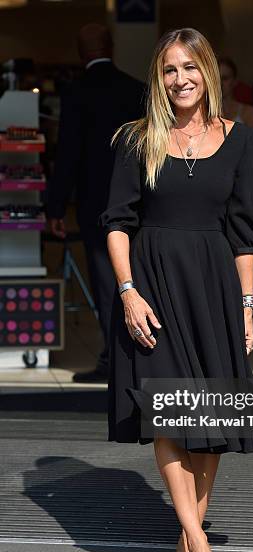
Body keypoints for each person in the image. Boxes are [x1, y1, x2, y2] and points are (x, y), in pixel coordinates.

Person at [99, 28, 253, 552]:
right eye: (170, 70)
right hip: (153, 285)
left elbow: (244, 233)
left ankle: (184, 543)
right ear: (158, 78)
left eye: (190, 68)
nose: (181, 80)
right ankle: (199, 546)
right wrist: (128, 293)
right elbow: (116, 222)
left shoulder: (241, 140)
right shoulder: (136, 138)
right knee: (168, 413)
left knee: (209, 420)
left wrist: (245, 306)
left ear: (209, 73)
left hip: (215, 289)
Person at [47, 23, 146, 382]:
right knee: (141, 279)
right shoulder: (137, 89)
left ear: (79, 52)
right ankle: (146, 353)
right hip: (139, 203)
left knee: (109, 283)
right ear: (111, 47)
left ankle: (114, 361)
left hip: (96, 205)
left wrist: (55, 207)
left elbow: (68, 155)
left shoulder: (76, 92)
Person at [218, 56, 253, 131]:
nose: (220, 83)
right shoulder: (204, 114)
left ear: (235, 81)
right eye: (216, 78)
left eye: (225, 78)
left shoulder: (248, 112)